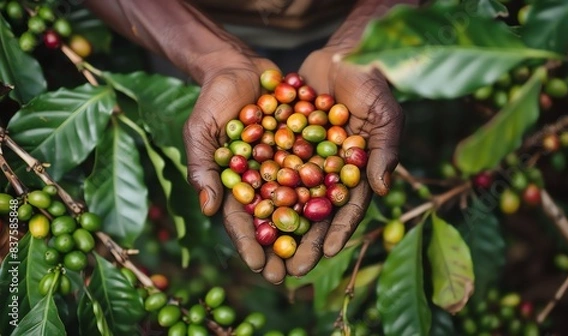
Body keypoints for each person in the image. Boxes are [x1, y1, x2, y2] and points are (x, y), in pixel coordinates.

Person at [87, 0, 418, 284]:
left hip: (343, 22)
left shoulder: (293, 159)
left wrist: (360, 38)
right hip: (182, 28)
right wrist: (214, 58)